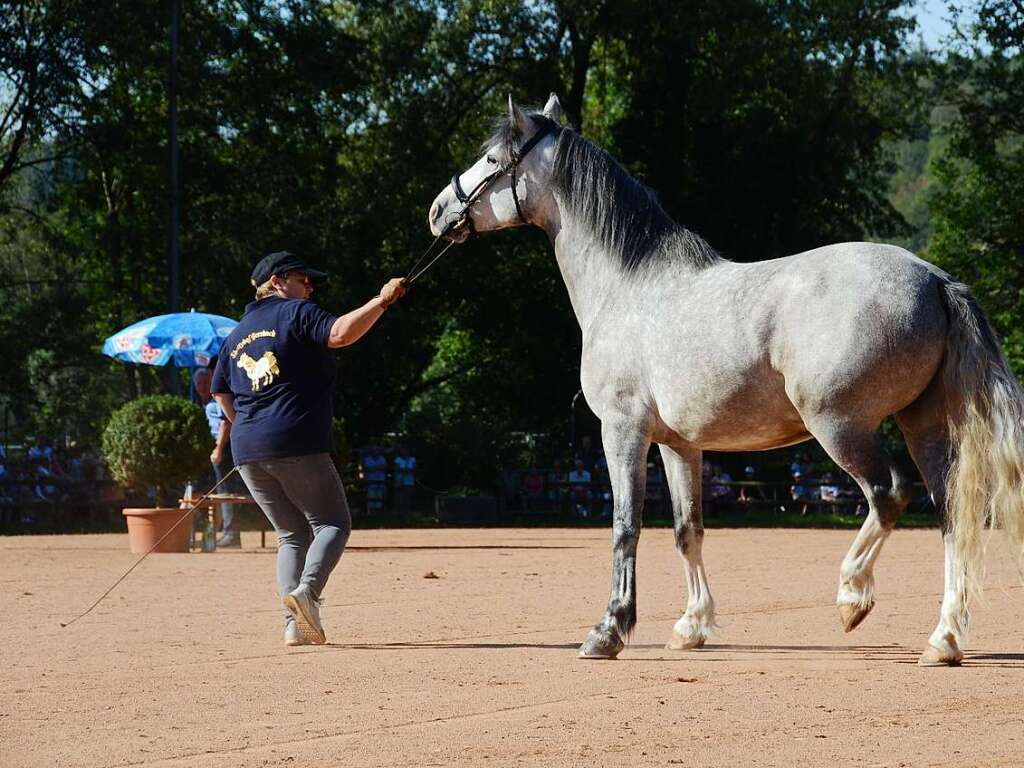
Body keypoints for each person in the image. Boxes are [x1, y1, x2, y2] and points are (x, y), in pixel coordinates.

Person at [212, 250, 407, 647]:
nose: (311, 287)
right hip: (294, 439)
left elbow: (220, 394)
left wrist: (250, 426)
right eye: (305, 279)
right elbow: (340, 334)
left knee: (290, 535)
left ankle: (295, 624)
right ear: (279, 281)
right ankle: (309, 593)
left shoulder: (236, 334)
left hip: (246, 449)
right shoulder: (296, 312)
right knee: (333, 524)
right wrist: (381, 301)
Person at [194, 365, 240, 547]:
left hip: (223, 449)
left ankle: (231, 534)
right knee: (217, 494)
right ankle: (217, 533)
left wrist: (219, 449)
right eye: (198, 382)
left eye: (205, 382)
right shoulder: (204, 403)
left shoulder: (216, 401)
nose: (202, 386)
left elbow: (225, 424)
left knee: (225, 492)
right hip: (212, 450)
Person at [361, 445, 388, 514]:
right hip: (370, 481)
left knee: (379, 495)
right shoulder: (368, 459)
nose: (376, 451)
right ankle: (371, 512)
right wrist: (378, 468)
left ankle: (378, 512)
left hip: (381, 481)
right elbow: (367, 469)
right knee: (371, 496)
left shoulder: (382, 458)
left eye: (377, 450)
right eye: (374, 450)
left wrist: (373, 468)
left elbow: (384, 468)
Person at [393, 445, 416, 514]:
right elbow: (397, 469)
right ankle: (398, 510)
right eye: (402, 450)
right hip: (399, 479)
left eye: (405, 450)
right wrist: (407, 470)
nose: (404, 451)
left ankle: (407, 510)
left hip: (409, 480)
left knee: (408, 495)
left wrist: (404, 470)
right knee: (399, 496)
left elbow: (414, 470)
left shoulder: (413, 459)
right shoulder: (398, 459)